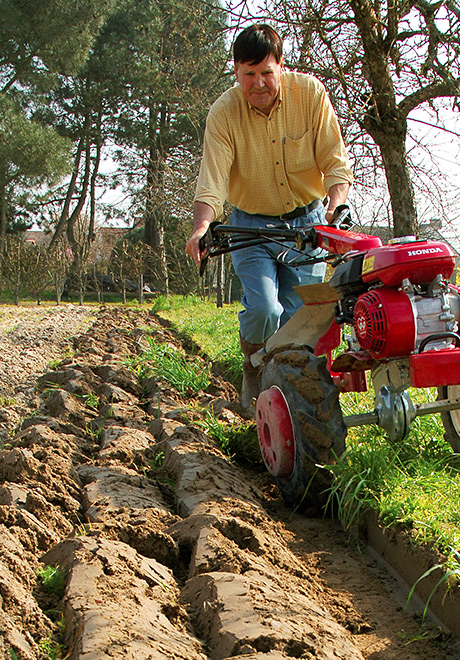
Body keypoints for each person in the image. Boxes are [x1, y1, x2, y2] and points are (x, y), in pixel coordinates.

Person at [186, 23, 353, 410]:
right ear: (236, 72)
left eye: (266, 73)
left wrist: (335, 208)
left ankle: (288, 402)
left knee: (298, 323)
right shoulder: (225, 113)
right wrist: (200, 228)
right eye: (249, 74)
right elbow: (211, 180)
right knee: (265, 309)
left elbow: (335, 162)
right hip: (251, 226)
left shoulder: (309, 95)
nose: (258, 84)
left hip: (307, 224)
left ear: (282, 66)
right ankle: (252, 367)